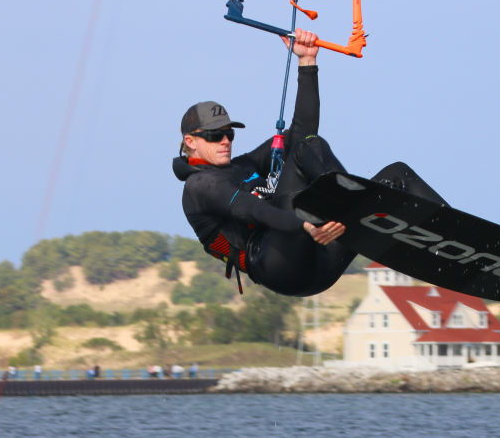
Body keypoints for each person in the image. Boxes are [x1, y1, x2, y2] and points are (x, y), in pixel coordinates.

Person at [174, 29, 449, 297]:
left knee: (397, 174)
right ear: (190, 141)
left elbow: (302, 133)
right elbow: (253, 209)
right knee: (306, 147)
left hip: (320, 256)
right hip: (277, 264)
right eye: (214, 135)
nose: (225, 141)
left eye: (229, 134)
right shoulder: (199, 186)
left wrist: (307, 61)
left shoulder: (241, 166)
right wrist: (305, 226)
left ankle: (451, 233)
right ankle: (351, 204)